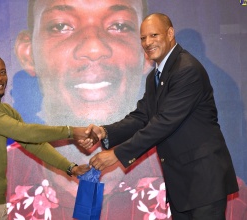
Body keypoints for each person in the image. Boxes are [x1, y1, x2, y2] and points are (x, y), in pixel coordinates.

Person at [11, 0, 170, 219]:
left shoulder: (206, 194)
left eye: (120, 26)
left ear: (146, 52)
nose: (94, 48)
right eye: (60, 26)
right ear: (29, 54)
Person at [81, 13, 239, 220]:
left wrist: (116, 155)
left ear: (170, 33)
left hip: (204, 181)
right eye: (143, 38)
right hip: (182, 184)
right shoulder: (155, 76)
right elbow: (141, 117)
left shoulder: (186, 70)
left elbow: (164, 123)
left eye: (154, 35)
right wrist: (104, 132)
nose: (147, 42)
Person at [0, 53, 94, 220]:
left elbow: (33, 143)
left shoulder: (5, 111)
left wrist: (70, 167)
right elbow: (25, 132)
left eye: (2, 72)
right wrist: (70, 131)